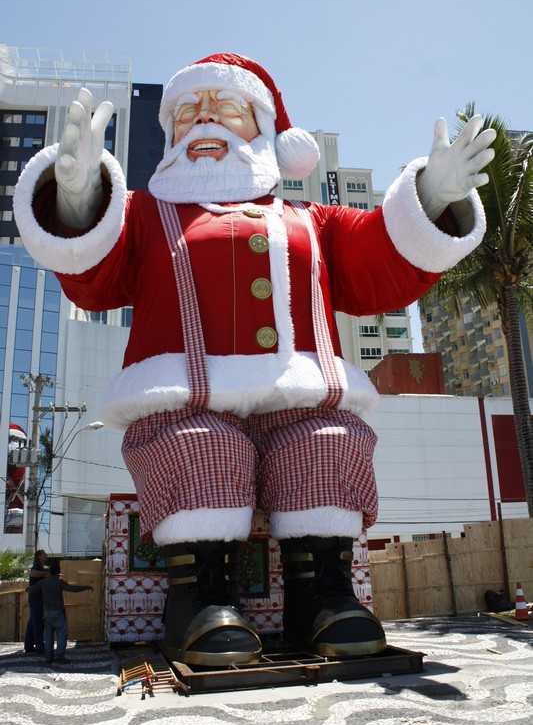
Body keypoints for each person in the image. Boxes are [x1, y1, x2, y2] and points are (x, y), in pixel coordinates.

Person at [13, 53, 496, 667]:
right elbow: (92, 276)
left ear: (265, 132)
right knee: (194, 444)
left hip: (300, 394)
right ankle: (198, 599)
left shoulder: (311, 221)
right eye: (189, 111)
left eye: (227, 109)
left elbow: (380, 264)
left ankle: (322, 596)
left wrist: (431, 197)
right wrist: (79, 199)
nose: (204, 121)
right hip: (185, 396)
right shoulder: (141, 217)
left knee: (328, 440)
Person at [27, 561, 93, 664]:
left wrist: (28, 588)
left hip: (47, 613)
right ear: (58, 572)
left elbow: (31, 589)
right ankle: (59, 656)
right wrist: (86, 587)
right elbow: (73, 589)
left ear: (50, 572)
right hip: (58, 613)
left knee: (48, 636)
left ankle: (48, 657)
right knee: (61, 634)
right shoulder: (60, 582)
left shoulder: (43, 582)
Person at [24, 549, 48, 654]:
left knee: (32, 623)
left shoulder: (41, 567)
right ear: (39, 556)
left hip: (37, 599)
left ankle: (29, 646)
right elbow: (32, 573)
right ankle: (39, 646)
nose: (46, 556)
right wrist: (46, 574)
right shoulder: (36, 567)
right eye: (44, 554)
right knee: (38, 623)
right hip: (36, 600)